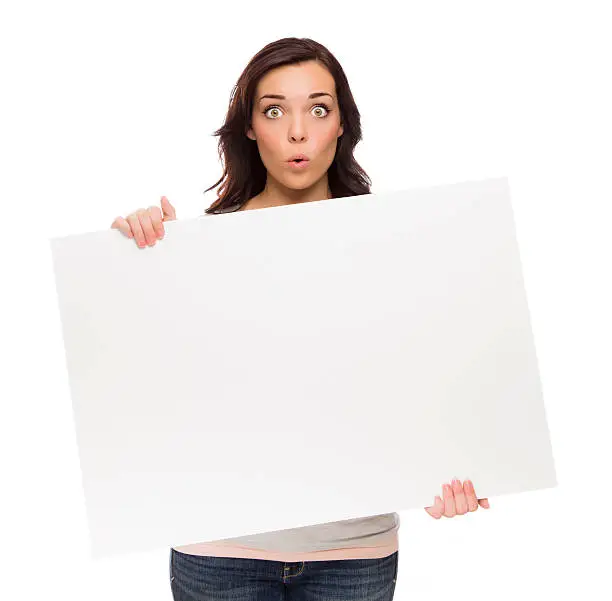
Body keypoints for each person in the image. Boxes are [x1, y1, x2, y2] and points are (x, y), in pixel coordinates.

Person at [111, 37, 490, 601]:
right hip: (219, 549)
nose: (297, 132)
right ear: (248, 127)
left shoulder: (401, 246)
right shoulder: (194, 252)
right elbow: (146, 388)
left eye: (318, 108)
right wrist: (131, 257)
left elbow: (432, 380)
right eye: (273, 110)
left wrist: (457, 468)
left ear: (342, 124)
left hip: (353, 551)